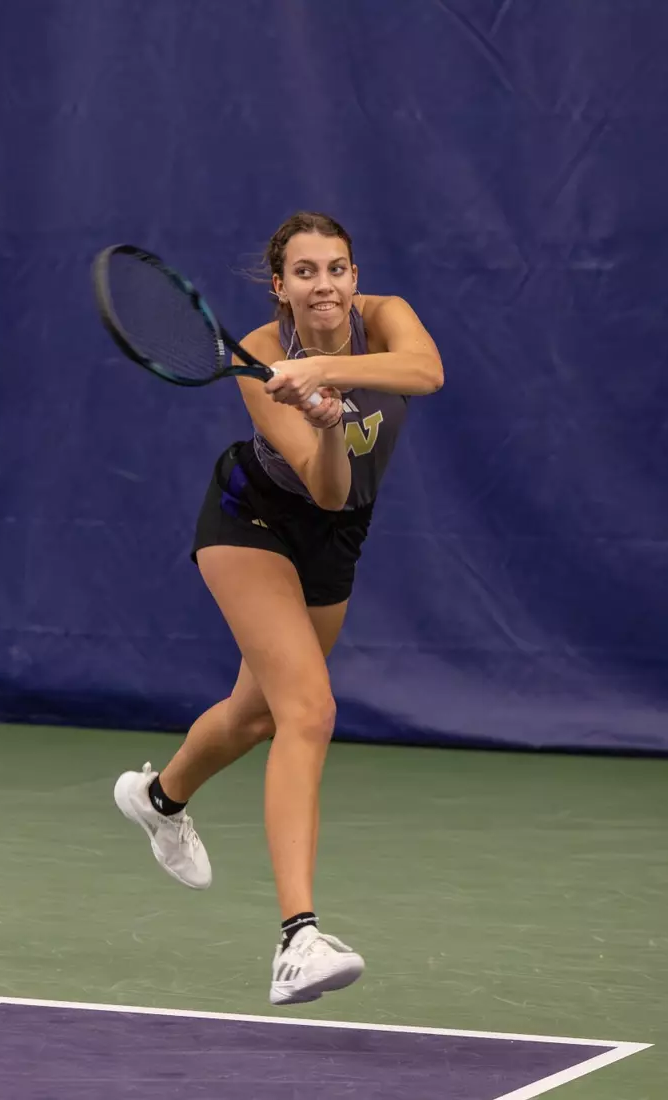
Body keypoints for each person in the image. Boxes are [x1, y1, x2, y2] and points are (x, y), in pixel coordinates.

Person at [113, 211, 445, 1006]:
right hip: (250, 518)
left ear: (354, 277)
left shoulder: (386, 318)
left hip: (337, 535)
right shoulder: (261, 356)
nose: (323, 284)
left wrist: (331, 389)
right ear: (280, 287)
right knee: (309, 710)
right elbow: (319, 480)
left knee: (255, 712)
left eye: (336, 268)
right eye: (305, 272)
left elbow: (425, 373)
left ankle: (158, 801)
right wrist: (317, 419)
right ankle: (298, 938)